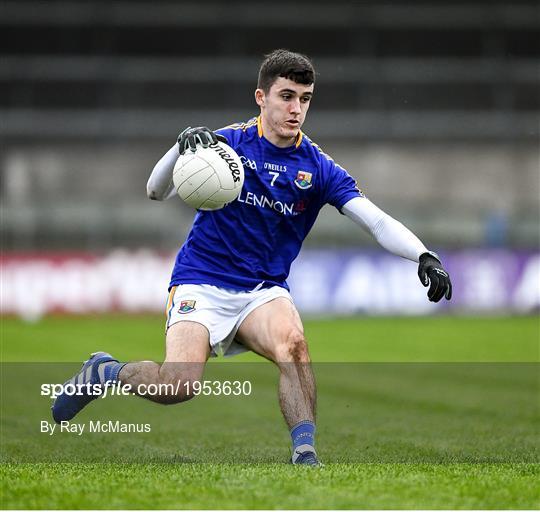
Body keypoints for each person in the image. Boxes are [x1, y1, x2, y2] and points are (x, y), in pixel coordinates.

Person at [52, 49, 452, 466]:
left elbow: (375, 221)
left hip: (262, 291)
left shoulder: (318, 168)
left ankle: (305, 454)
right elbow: (156, 191)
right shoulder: (224, 144)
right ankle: (105, 372)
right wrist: (178, 147)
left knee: (294, 346)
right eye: (287, 96)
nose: (296, 109)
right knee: (178, 386)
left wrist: (424, 255)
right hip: (201, 282)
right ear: (260, 97)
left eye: (305, 98)